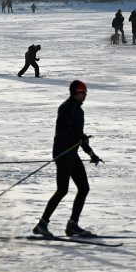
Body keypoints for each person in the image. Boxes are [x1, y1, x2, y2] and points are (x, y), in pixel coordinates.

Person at [33, 80, 102, 238]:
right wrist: (77, 138)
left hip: (72, 154)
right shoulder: (66, 108)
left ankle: (72, 225)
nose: (85, 95)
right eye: (82, 92)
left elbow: (79, 136)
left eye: (85, 92)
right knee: (62, 190)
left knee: (83, 188)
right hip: (63, 154)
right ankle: (42, 224)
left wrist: (91, 154)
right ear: (75, 92)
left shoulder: (79, 111)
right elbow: (64, 131)